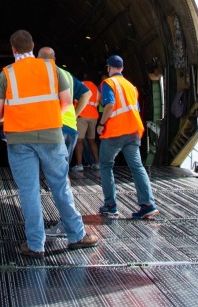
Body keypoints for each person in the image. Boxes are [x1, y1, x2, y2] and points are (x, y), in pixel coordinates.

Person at [0, 29, 98, 256]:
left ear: (13, 49)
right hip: (51, 135)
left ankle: (35, 244)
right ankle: (77, 235)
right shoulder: (52, 69)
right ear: (33, 46)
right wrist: (48, 118)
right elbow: (67, 102)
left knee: (28, 191)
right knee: (60, 185)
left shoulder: (7, 74)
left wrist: (11, 117)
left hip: (19, 139)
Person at [96, 54, 159, 219]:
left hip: (115, 132)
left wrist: (101, 124)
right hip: (133, 132)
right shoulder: (131, 86)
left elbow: (109, 105)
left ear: (109, 68)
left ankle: (110, 206)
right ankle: (147, 204)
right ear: (122, 68)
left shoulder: (108, 83)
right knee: (137, 167)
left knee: (105, 165)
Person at [37, 48, 90, 167]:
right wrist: (75, 115)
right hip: (70, 128)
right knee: (62, 170)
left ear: (38, 60)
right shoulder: (67, 75)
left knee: (51, 171)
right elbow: (87, 94)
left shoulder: (36, 75)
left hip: (50, 128)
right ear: (54, 59)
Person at [73, 72, 101, 171]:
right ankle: (97, 163)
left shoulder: (80, 85)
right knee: (92, 140)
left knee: (79, 140)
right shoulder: (97, 89)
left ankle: (79, 165)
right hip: (93, 117)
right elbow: (99, 103)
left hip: (82, 116)